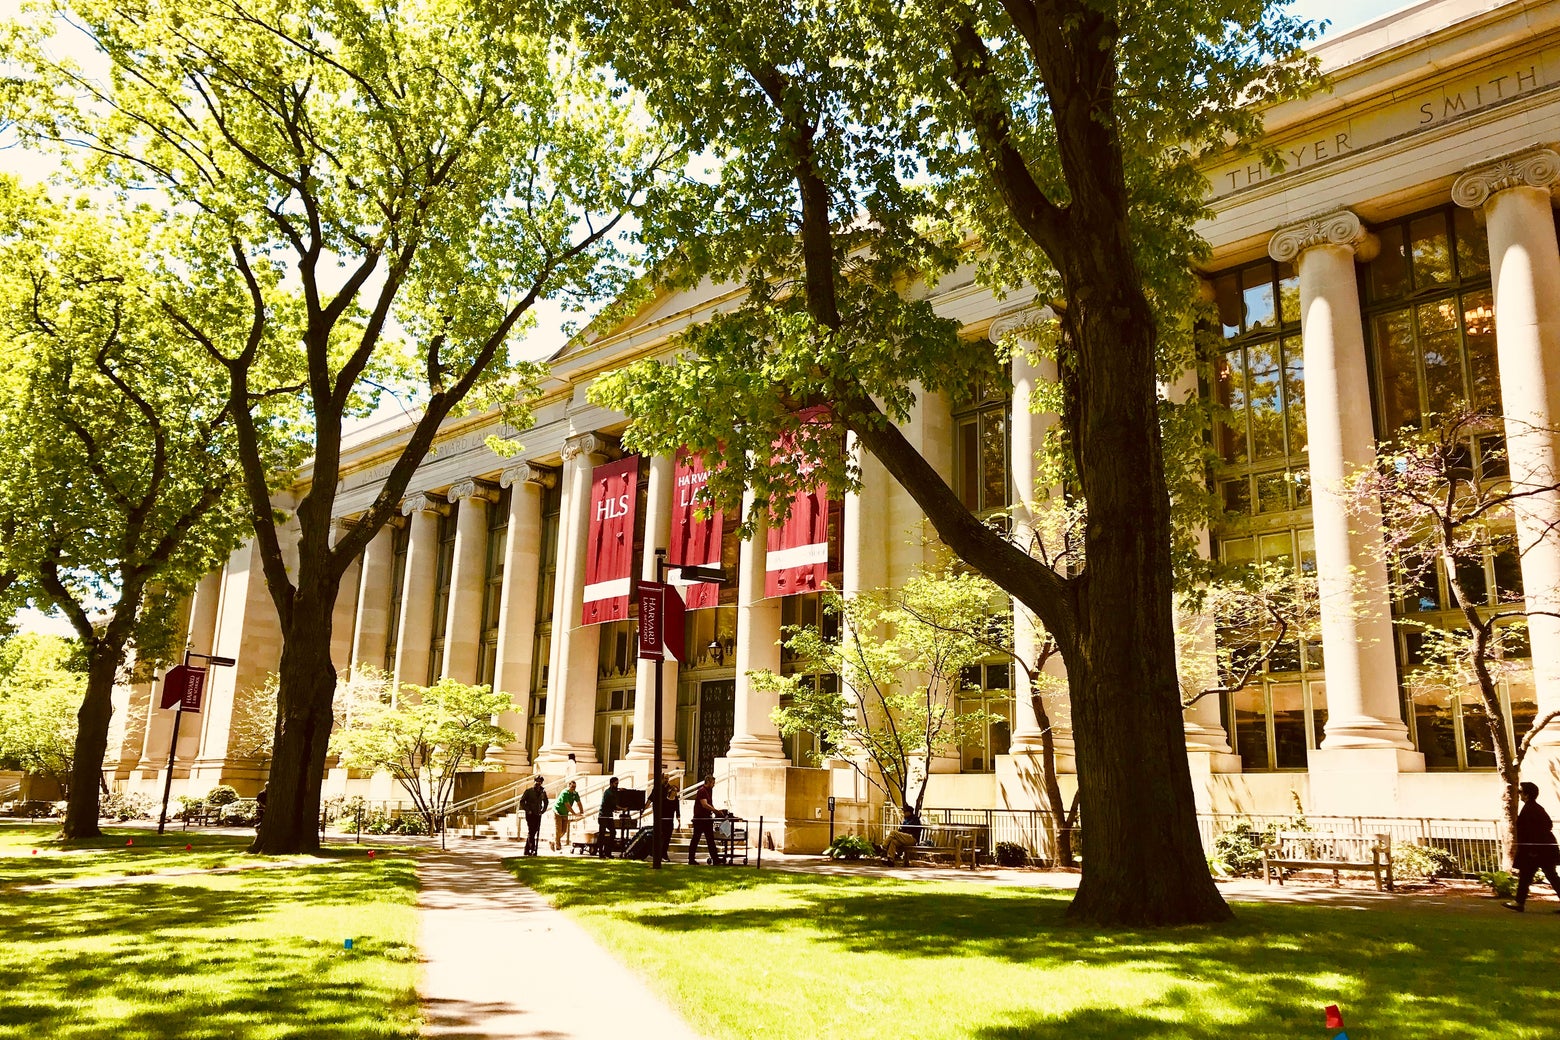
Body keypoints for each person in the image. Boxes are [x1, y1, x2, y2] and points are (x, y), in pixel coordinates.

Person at [1505, 781, 1560, 912]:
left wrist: (1533, 849)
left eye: (1520, 792)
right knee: (1535, 875)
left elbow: (1533, 831)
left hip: (1537, 851)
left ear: (1527, 794)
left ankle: (1519, 902)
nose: (1519, 794)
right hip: (1542, 849)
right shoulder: (1536, 808)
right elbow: (1547, 825)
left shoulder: (1530, 809)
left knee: (1531, 875)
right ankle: (1519, 902)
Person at [688, 774, 723, 865]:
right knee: (696, 838)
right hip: (700, 818)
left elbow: (709, 804)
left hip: (707, 818)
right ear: (708, 782)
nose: (714, 785)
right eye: (712, 783)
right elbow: (704, 804)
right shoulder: (702, 791)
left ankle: (715, 858)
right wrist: (715, 811)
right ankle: (691, 859)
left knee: (710, 839)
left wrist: (715, 811)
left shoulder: (709, 791)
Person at [652, 770, 681, 861]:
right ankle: (658, 853)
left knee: (667, 839)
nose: (675, 793)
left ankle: (663, 854)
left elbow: (677, 811)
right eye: (674, 791)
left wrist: (679, 822)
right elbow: (651, 799)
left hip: (670, 821)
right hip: (662, 820)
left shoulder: (676, 800)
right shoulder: (663, 798)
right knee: (661, 838)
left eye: (676, 791)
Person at [518, 775, 549, 857]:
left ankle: (526, 850)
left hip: (538, 814)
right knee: (531, 831)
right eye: (536, 781)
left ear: (541, 783)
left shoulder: (543, 792)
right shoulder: (529, 791)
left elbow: (546, 801)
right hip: (530, 814)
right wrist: (528, 810)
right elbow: (522, 802)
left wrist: (543, 810)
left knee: (533, 832)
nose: (538, 783)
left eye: (539, 781)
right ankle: (533, 849)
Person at [552, 780, 583, 852]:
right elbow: (567, 805)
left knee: (564, 831)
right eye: (572, 787)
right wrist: (574, 813)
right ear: (569, 786)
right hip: (558, 811)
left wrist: (581, 811)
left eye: (575, 787)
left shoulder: (575, 793)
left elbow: (579, 803)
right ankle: (558, 845)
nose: (573, 788)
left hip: (565, 812)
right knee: (558, 828)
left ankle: (552, 841)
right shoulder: (565, 793)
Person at [595, 776, 621, 858]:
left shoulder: (612, 792)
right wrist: (623, 808)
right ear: (611, 783)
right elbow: (614, 805)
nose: (617, 785)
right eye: (616, 783)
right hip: (603, 816)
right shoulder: (608, 793)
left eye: (618, 783)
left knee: (613, 832)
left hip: (608, 815)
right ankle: (601, 852)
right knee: (602, 834)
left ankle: (607, 851)